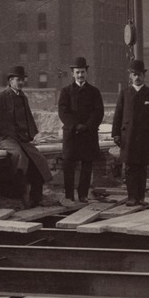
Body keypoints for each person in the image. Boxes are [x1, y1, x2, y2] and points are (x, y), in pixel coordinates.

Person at [0, 65, 53, 209]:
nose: (20, 83)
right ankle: (19, 197)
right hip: (4, 139)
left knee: (38, 159)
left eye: (22, 80)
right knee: (20, 157)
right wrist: (5, 136)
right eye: (17, 80)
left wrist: (29, 136)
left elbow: (27, 121)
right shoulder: (1, 97)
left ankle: (36, 197)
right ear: (10, 81)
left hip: (21, 139)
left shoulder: (22, 97)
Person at [111, 59, 149, 206]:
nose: (137, 77)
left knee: (142, 168)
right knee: (130, 168)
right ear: (130, 76)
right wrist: (115, 134)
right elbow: (118, 115)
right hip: (128, 136)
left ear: (144, 75)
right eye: (134, 74)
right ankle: (131, 197)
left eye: (140, 74)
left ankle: (140, 198)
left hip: (145, 136)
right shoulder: (124, 93)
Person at [56, 56, 104, 204]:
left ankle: (83, 194)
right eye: (77, 72)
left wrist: (87, 126)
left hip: (88, 134)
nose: (80, 75)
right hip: (71, 134)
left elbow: (98, 112)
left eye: (82, 72)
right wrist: (76, 125)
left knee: (87, 164)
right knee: (69, 165)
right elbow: (63, 112)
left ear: (86, 72)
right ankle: (69, 195)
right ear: (72, 74)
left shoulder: (94, 92)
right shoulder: (66, 91)